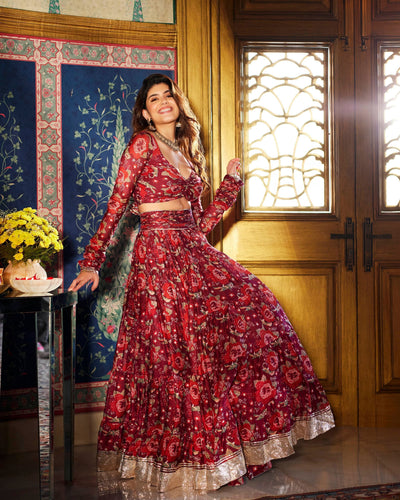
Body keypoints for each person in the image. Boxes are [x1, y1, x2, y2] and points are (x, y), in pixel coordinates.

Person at [69, 73, 335, 492]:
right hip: (158, 256)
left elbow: (202, 223)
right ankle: (174, 458)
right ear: (145, 112)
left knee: (247, 310)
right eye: (153, 99)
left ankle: (221, 452)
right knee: (175, 354)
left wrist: (230, 183)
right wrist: (92, 261)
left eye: (168, 95)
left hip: (191, 250)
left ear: (178, 104)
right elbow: (118, 204)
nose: (162, 102)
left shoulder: (188, 156)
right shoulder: (142, 145)